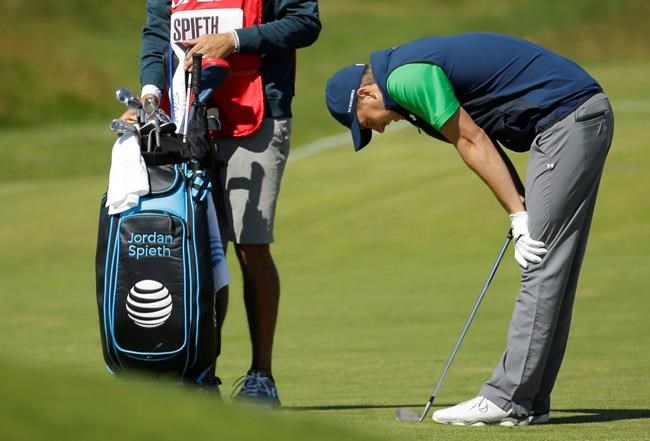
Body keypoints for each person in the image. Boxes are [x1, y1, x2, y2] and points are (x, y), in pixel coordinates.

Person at [325, 32, 614, 425]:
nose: (376, 131)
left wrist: (517, 216)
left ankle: (507, 398)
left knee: (541, 262)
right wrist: (519, 207)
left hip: (566, 118)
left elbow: (472, 139)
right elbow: (484, 143)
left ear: (367, 95)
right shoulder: (406, 82)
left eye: (365, 125)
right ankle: (531, 400)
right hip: (578, 118)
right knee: (554, 264)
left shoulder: (405, 80)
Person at [125, 0, 321, 406]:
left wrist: (234, 40)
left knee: (251, 244)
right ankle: (200, 373)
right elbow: (157, 34)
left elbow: (305, 23)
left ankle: (260, 376)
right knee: (198, 253)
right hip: (182, 120)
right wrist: (147, 97)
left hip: (258, 115)